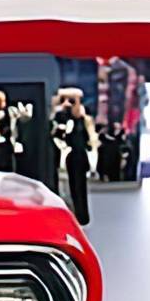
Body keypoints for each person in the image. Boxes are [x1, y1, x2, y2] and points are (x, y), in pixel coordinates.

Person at [51, 90, 94, 225]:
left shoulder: (83, 118)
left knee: (79, 187)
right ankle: (69, 216)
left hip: (79, 155)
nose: (69, 103)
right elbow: (55, 134)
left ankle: (81, 216)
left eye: (73, 100)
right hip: (66, 154)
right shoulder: (60, 115)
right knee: (66, 187)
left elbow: (90, 139)